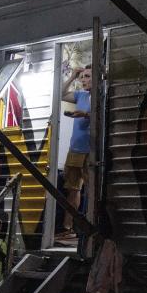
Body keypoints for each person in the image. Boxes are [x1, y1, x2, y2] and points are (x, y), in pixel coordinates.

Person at [56, 65, 91, 241]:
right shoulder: (81, 95)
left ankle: (91, 228)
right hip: (75, 148)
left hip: (91, 150)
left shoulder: (102, 96)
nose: (83, 79)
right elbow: (61, 93)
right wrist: (72, 77)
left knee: (92, 191)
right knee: (73, 190)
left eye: (87, 76)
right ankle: (68, 228)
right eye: (83, 76)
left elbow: (103, 116)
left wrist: (86, 115)